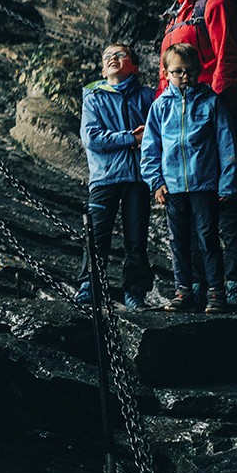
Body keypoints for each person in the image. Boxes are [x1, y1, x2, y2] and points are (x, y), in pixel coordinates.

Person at [156, 0, 237, 311]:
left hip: (212, 118)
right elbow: (165, 78)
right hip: (176, 124)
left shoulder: (213, 1)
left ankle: (236, 285)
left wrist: (206, 109)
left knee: (224, 201)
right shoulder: (175, 15)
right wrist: (160, 116)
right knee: (187, 206)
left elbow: (229, 61)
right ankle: (198, 287)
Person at [141, 43, 237, 314]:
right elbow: (151, 147)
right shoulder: (160, 107)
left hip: (204, 184)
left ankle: (215, 291)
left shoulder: (211, 102)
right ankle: (183, 291)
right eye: (178, 72)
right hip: (172, 187)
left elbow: (225, 144)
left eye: (190, 71)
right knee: (179, 239)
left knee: (208, 237)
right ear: (166, 72)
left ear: (199, 70)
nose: (185, 77)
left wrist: (227, 183)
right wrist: (156, 181)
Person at [77, 43, 153, 309]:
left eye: (120, 55)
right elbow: (92, 138)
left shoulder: (147, 96)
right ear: (102, 67)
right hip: (105, 176)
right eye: (107, 56)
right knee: (98, 234)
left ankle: (134, 291)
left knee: (136, 237)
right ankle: (90, 285)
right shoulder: (93, 96)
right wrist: (130, 137)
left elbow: (155, 133)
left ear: (134, 65)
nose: (112, 59)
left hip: (138, 177)